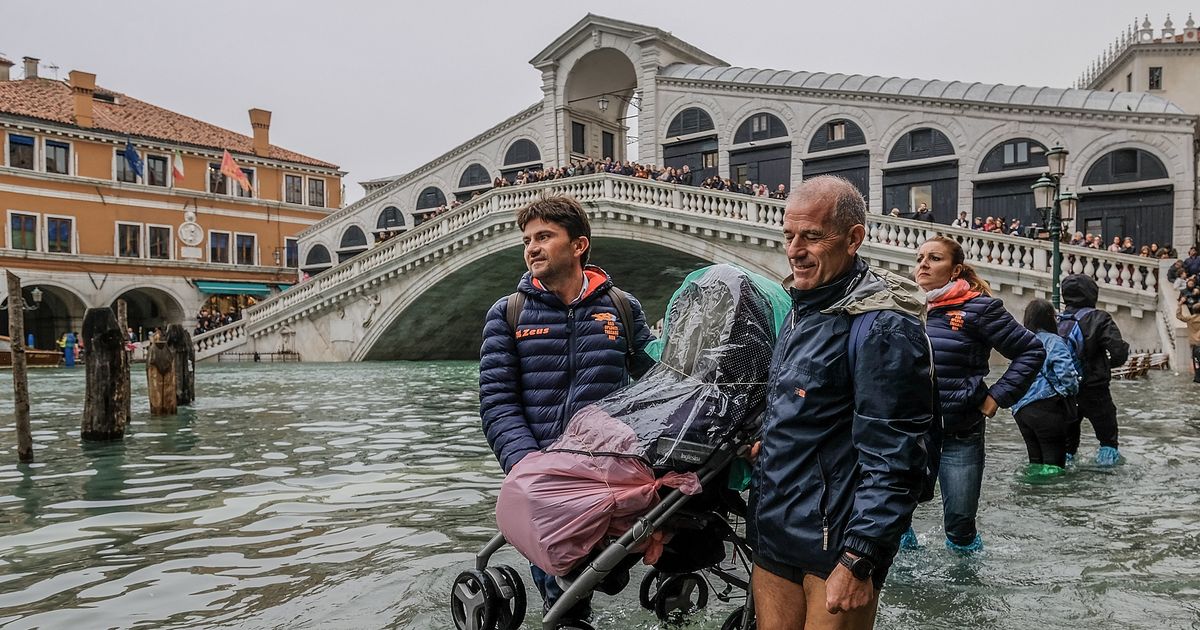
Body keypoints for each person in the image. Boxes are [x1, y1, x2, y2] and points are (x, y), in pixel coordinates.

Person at [751, 175, 937, 629]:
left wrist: (861, 556)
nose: (795, 250)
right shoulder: (801, 309)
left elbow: (896, 457)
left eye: (812, 237)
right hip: (774, 530)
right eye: (788, 236)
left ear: (854, 239)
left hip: (836, 545)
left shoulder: (882, 329)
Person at [478, 193, 656, 625]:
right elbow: (497, 401)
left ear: (578, 246)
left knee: (613, 567)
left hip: (609, 467)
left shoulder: (621, 307)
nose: (532, 248)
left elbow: (654, 382)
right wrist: (526, 466)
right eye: (527, 240)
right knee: (565, 599)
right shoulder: (508, 313)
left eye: (544, 236)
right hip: (543, 471)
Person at [911, 235, 1044, 552]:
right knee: (895, 518)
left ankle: (963, 590)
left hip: (960, 431)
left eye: (934, 258)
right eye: (919, 259)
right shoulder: (906, 308)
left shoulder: (980, 309)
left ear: (955, 270)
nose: (923, 264)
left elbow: (1031, 351)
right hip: (910, 432)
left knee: (959, 525)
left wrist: (997, 396)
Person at [1058, 274, 1129, 466]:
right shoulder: (1099, 318)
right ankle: (1107, 472)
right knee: (1108, 439)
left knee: (1067, 444)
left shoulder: (1059, 319)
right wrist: (1106, 366)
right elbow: (1118, 351)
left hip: (1066, 390)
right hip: (1095, 388)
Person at [1011, 299, 1080, 470]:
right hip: (1046, 407)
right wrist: (1070, 390)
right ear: (1050, 318)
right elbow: (1066, 373)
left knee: (1035, 460)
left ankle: (1032, 491)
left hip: (1021, 409)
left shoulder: (1021, 341)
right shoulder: (1054, 341)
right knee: (1054, 462)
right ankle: (1050, 493)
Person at [1177, 297, 1200, 383]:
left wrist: (1180, 305)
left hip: (1194, 343)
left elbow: (1179, 316)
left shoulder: (1190, 319)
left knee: (1195, 361)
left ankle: (1197, 378)